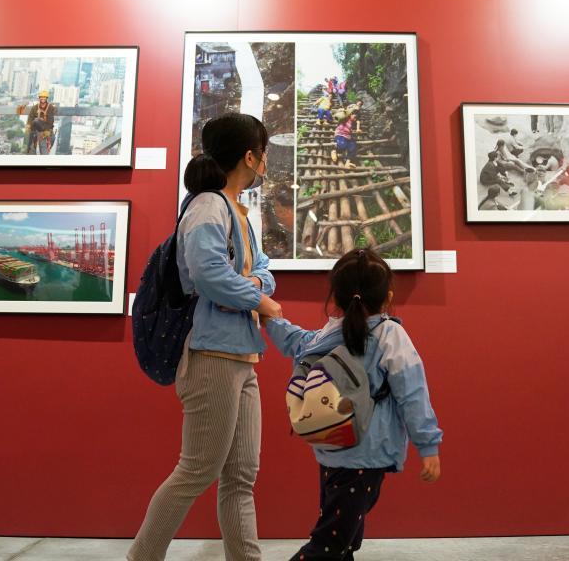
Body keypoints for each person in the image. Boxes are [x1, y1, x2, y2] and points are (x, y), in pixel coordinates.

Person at [127, 113, 283, 561]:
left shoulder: (236, 211)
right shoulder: (209, 205)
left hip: (240, 356)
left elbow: (264, 270)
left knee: (240, 477)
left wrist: (253, 287)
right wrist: (260, 300)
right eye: (264, 152)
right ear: (250, 157)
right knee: (197, 469)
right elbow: (208, 273)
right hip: (211, 353)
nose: (266, 161)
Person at [265, 249, 442, 561]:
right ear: (388, 297)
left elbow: (297, 343)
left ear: (336, 296)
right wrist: (428, 446)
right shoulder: (391, 335)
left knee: (343, 539)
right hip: (368, 454)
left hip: (331, 447)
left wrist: (271, 321)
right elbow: (412, 393)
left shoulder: (330, 332)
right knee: (330, 544)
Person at [25, 89, 56, 155]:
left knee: (52, 139)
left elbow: (51, 120)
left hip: (47, 128)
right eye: (41, 97)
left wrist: (47, 130)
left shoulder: (50, 107)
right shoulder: (35, 107)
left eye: (44, 97)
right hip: (37, 129)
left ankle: (46, 149)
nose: (42, 98)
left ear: (46, 98)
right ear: (39, 98)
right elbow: (30, 117)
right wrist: (28, 126)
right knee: (39, 146)